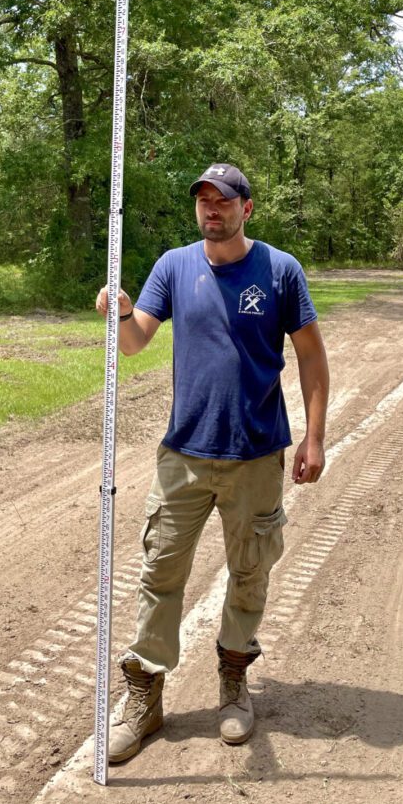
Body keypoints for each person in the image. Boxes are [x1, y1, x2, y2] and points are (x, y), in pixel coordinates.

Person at [95, 163, 329, 762]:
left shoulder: (280, 271)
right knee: (160, 573)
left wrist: (314, 438)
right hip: (184, 455)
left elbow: (310, 358)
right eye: (203, 200)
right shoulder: (174, 266)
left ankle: (233, 681)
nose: (211, 210)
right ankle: (144, 700)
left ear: (246, 208)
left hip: (256, 454)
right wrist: (121, 312)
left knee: (250, 572)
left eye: (222, 201)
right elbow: (134, 340)